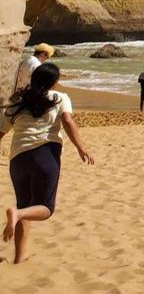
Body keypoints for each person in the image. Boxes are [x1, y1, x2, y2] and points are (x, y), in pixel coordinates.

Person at [0, 63, 94, 265]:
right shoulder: (60, 97)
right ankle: (17, 214)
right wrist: (81, 147)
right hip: (45, 155)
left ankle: (19, 259)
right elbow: (68, 122)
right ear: (54, 82)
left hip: (18, 159)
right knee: (45, 208)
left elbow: (0, 132)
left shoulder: (18, 102)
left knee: (25, 205)